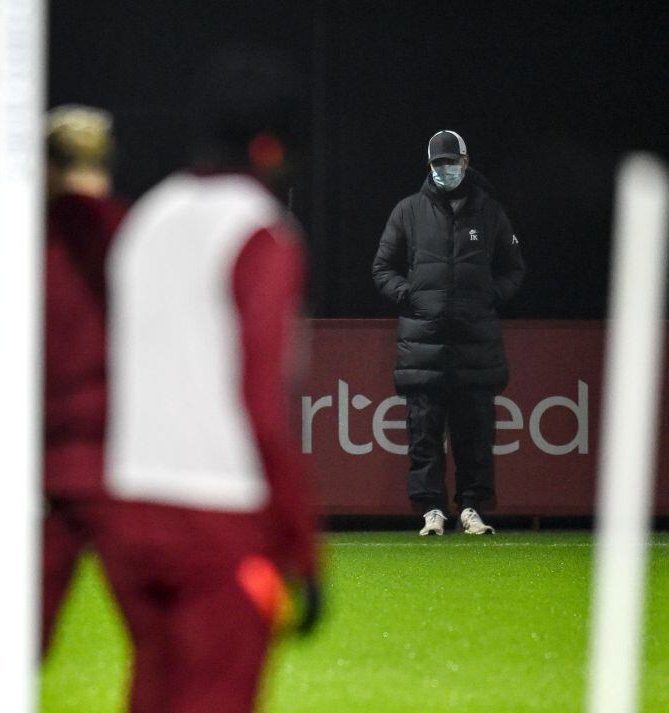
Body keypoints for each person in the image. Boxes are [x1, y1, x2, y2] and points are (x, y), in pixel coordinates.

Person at [102, 50, 321, 713]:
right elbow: (260, 402)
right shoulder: (261, 233)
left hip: (131, 511)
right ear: (272, 144)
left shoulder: (145, 220)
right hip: (217, 516)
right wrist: (300, 544)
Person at [372, 130, 525, 536]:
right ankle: (432, 511)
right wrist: (411, 297)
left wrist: (490, 296)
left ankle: (472, 508)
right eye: (437, 164)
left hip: (475, 345)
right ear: (430, 167)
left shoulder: (490, 212)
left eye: (450, 162)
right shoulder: (407, 211)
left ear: (465, 161)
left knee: (475, 433)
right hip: (423, 345)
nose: (445, 170)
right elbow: (382, 267)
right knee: (423, 432)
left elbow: (515, 268)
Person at [41, 105, 126, 653]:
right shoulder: (135, 236)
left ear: (46, 168)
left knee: (15, 643)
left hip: (41, 470)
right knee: (164, 638)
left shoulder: (19, 247)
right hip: (125, 464)